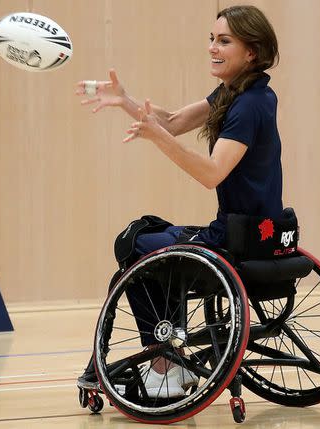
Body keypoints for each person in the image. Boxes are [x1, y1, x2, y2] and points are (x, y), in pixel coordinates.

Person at [75, 5, 282, 398]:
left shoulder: (248, 107)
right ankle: (170, 363)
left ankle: (164, 366)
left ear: (251, 51)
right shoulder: (242, 93)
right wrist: (125, 101)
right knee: (151, 235)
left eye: (224, 41)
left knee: (135, 245)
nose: (212, 48)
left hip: (234, 241)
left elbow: (211, 173)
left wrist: (157, 139)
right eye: (211, 39)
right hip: (259, 234)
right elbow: (170, 122)